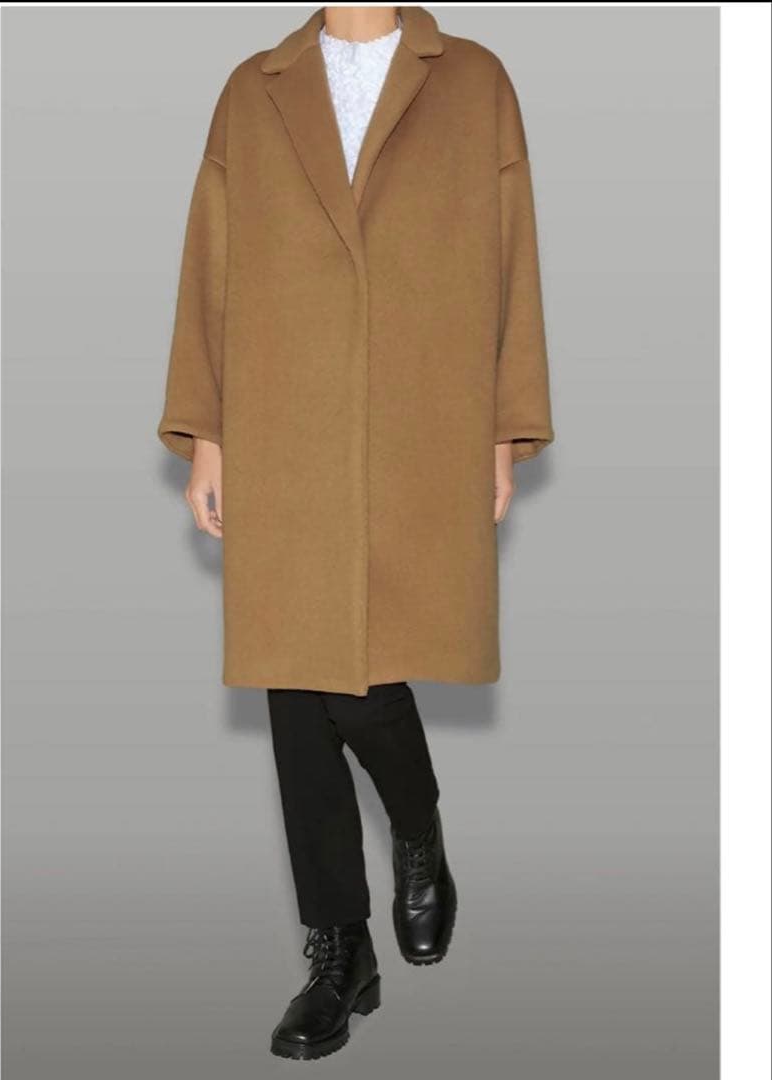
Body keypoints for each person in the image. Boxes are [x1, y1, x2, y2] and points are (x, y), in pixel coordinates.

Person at [157, 4, 554, 1061]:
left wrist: (504, 427)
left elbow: (510, 256)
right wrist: (207, 430)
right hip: (283, 415)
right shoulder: (253, 89)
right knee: (296, 681)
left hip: (421, 415)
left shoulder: (472, 80)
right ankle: (339, 951)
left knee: (363, 673)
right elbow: (210, 261)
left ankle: (415, 828)